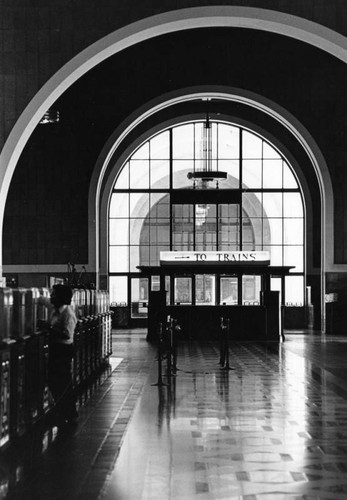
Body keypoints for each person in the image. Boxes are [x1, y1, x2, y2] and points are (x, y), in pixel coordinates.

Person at [39, 284, 78, 426]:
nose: (51, 297)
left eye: (54, 294)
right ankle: (64, 411)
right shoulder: (55, 310)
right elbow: (41, 299)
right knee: (55, 381)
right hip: (56, 350)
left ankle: (69, 412)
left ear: (61, 297)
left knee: (62, 383)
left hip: (63, 351)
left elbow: (66, 335)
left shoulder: (68, 313)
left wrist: (48, 328)